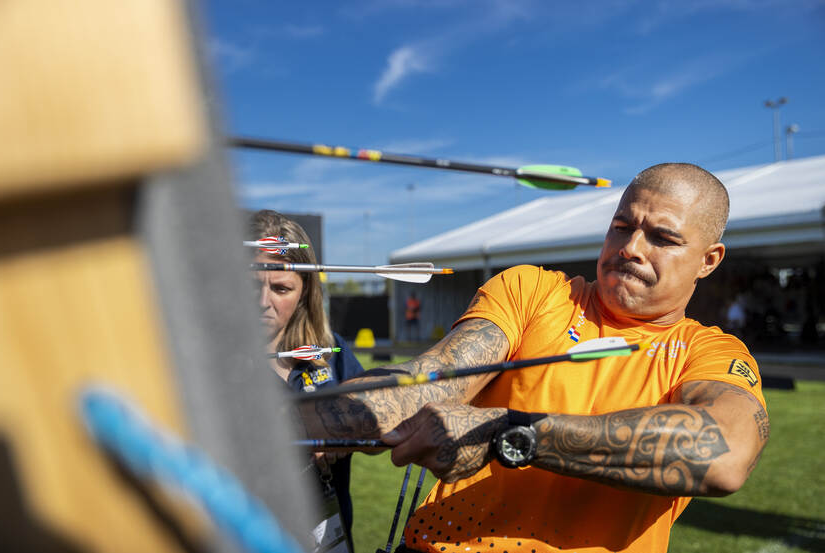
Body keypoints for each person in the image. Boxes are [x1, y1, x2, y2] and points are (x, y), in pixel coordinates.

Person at [298, 164, 770, 553]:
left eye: (662, 238)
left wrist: (510, 433)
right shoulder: (534, 291)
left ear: (709, 260)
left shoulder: (708, 352)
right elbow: (431, 381)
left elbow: (725, 455)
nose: (630, 248)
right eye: (622, 227)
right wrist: (286, 419)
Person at [250, 210, 364, 551]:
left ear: (305, 291)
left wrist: (345, 429)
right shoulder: (214, 361)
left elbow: (377, 423)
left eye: (281, 288)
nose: (262, 303)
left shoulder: (331, 351)